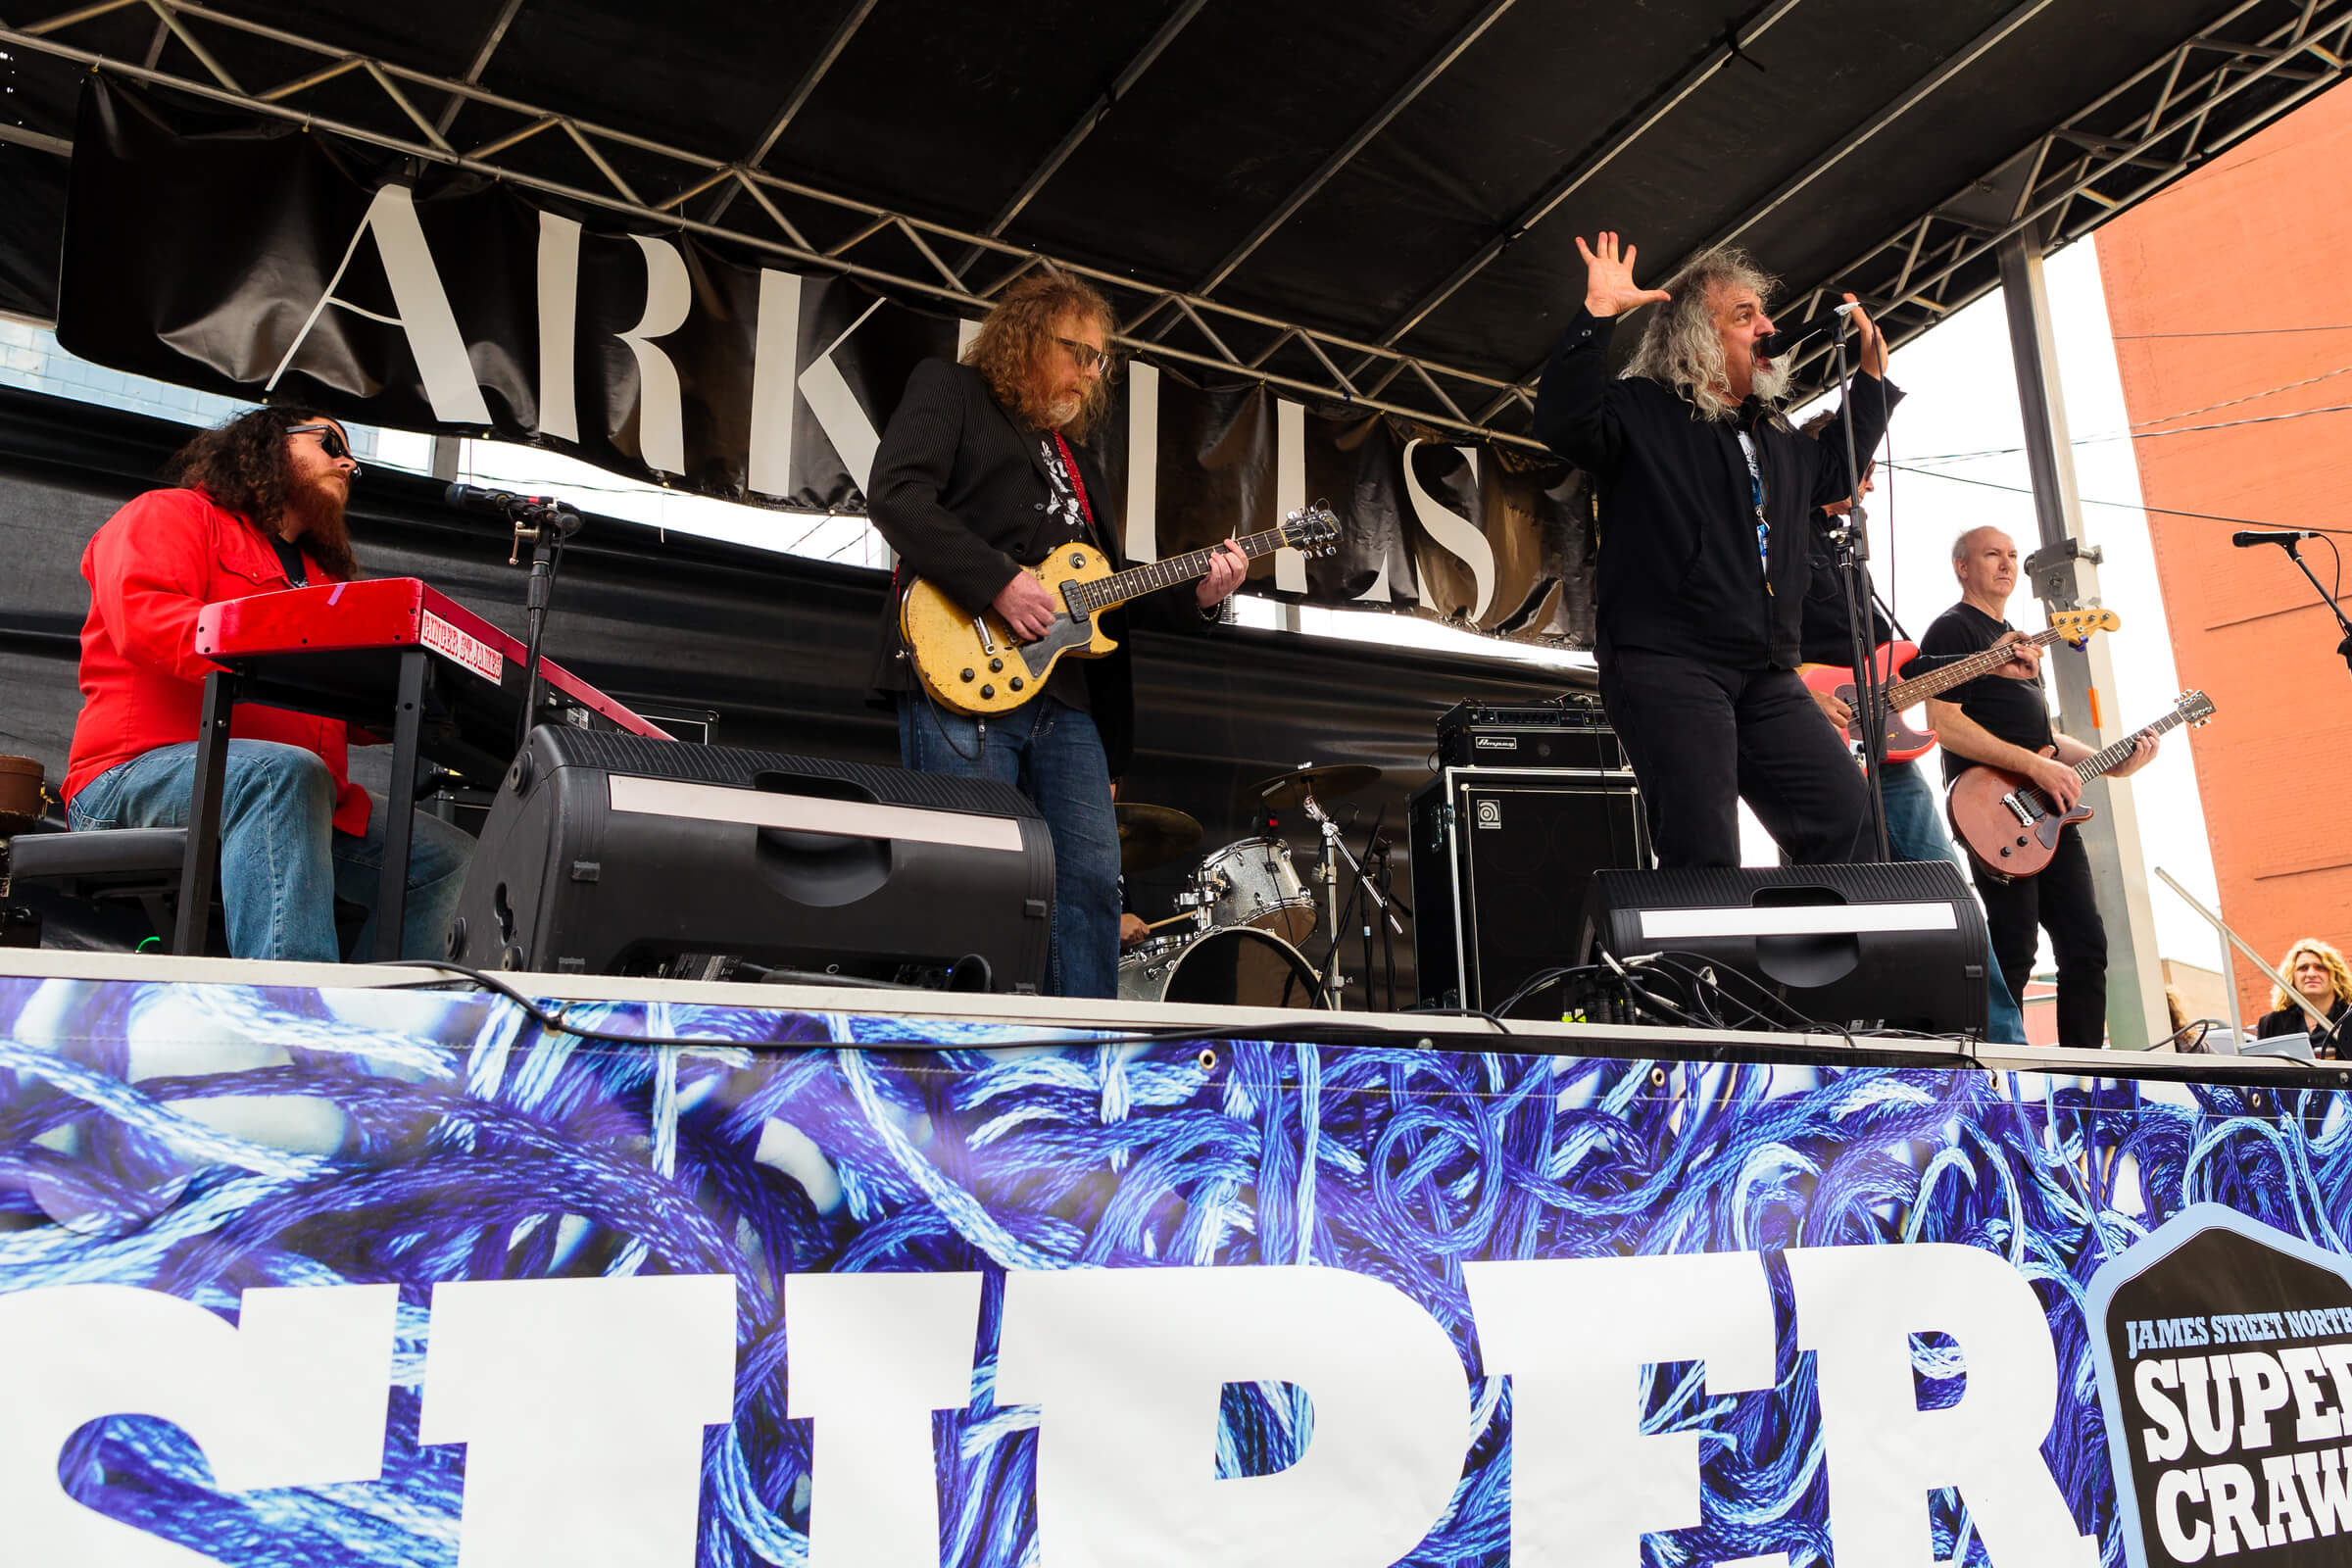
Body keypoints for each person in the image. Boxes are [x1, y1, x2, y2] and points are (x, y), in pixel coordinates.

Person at [866, 272, 1247, 998]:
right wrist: (998, 583)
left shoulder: (1077, 457)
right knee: (973, 876)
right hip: (965, 672)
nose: (1091, 373)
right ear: (1028, 338)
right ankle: (966, 1063)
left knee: (1091, 886)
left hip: (1068, 701)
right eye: (1080, 352)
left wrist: (1197, 595)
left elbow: (1109, 589)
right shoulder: (950, 390)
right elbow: (896, 494)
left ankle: (1083, 1058)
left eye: (1101, 361)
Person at [1532, 233, 1898, 867]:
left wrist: (1868, 381)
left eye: (1764, 312)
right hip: (1669, 662)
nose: (1767, 326)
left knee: (1850, 816)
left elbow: (1837, 472)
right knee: (1705, 852)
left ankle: (1810, 962)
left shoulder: (1774, 435)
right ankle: (1694, 970)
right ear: (1696, 336)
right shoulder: (1643, 411)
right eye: (1744, 314)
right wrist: (1597, 317)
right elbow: (1564, 421)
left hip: (1766, 673)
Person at [62, 407, 475, 961]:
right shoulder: (171, 514)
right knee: (282, 775)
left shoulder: (323, 577)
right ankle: (297, 1023)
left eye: (353, 460)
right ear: (267, 443)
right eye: (330, 443)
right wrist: (281, 657)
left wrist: (433, 701)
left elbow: (340, 704)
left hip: (299, 793)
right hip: (132, 776)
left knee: (450, 862)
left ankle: (377, 1023)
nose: (347, 463)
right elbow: (147, 620)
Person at [1790, 440, 2029, 1045]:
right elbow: (1749, 635)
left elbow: (1900, 666)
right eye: (1861, 474)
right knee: (1830, 898)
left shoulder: (1846, 553)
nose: (1868, 488)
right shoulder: (1777, 540)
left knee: (1946, 884)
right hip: (1812, 745)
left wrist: (1987, 663)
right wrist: (1797, 689)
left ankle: (2002, 1043)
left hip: (1884, 749)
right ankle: (1835, 1042)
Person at [1921, 525, 2158, 1050]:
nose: (2006, 564)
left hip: (2050, 811)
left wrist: (2109, 762)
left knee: (2085, 945)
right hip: (1992, 808)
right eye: (1991, 555)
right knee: (2014, 946)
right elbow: (1945, 722)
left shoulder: (2022, 646)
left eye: (2011, 555)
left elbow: (2044, 737)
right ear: (1963, 566)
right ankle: (1999, 1066)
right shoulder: (1953, 631)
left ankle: (2082, 1072)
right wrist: (2037, 766)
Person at [2255, 937, 2352, 1056]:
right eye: (2303, 968)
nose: (2311, 974)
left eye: (2320, 967)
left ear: (2336, 975)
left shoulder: (2349, 1018)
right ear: (2292, 977)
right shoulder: (2271, 1023)